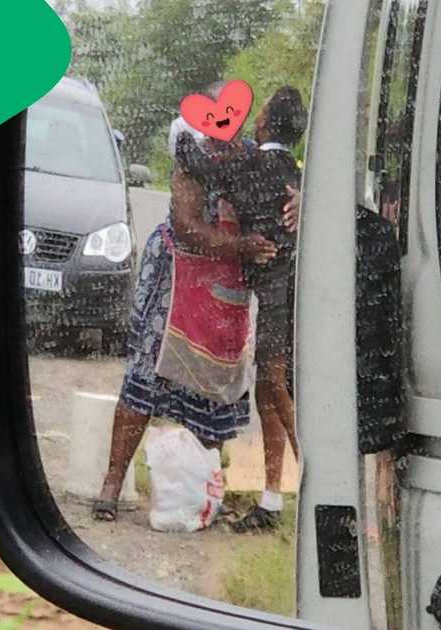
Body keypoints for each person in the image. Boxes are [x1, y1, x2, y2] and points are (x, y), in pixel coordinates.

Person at [92, 103, 280, 522]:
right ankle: (112, 483)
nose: (224, 137)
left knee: (212, 391)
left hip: (224, 292)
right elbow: (186, 226)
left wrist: (297, 202)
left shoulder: (252, 162)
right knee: (146, 377)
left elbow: (286, 190)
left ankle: (198, 495)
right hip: (176, 281)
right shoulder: (191, 159)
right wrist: (240, 246)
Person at [175, 86, 308, 532]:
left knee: (274, 384)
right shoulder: (291, 170)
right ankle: (271, 501)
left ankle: (314, 473)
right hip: (288, 291)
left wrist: (186, 137)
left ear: (264, 123)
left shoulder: (254, 165)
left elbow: (198, 164)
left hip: (276, 293)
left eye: (261, 109)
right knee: (269, 392)